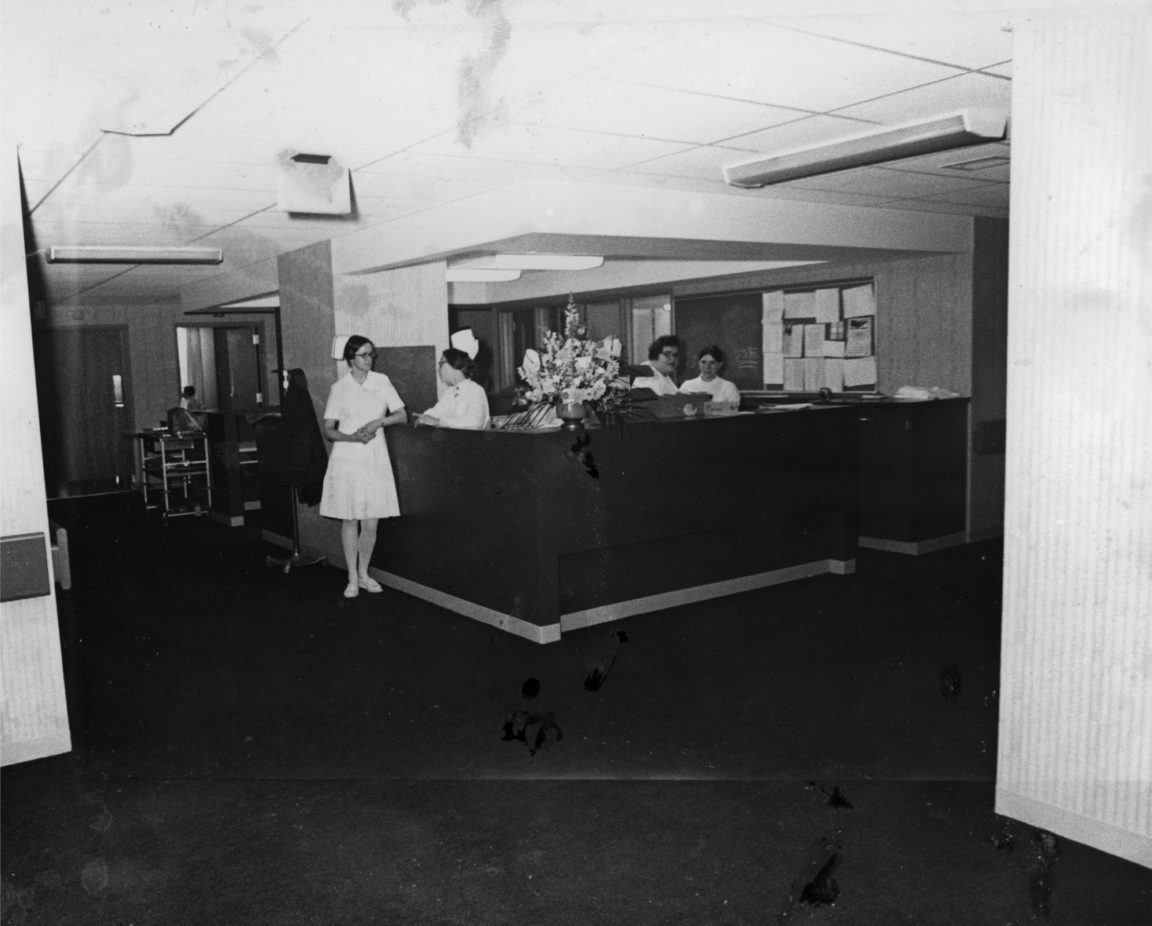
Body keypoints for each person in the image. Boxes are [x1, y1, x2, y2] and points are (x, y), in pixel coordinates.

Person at [319, 336, 408, 599]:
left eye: (371, 354)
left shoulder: (381, 381)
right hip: (347, 457)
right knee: (350, 518)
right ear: (350, 359)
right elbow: (329, 430)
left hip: (374, 457)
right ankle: (351, 577)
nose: (369, 359)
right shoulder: (339, 388)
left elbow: (402, 415)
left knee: (371, 522)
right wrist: (352, 438)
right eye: (363, 355)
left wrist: (377, 423)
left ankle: (364, 572)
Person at [414, 348, 490, 429]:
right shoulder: (450, 392)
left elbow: (475, 422)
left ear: (454, 365)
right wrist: (424, 417)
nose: (438, 369)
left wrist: (439, 422)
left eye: (441, 363)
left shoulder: (475, 390)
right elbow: (437, 411)